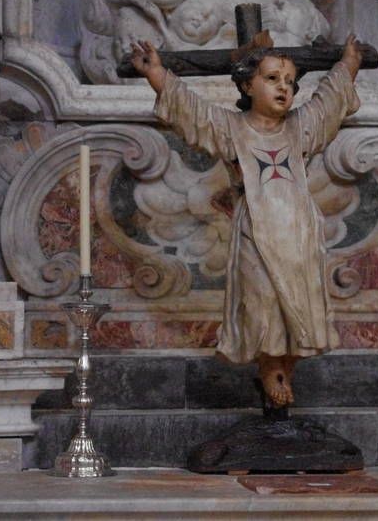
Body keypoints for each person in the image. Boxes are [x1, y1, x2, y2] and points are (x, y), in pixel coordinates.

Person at [130, 35, 363, 407]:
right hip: (256, 231)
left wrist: (348, 63)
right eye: (272, 79)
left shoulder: (300, 127)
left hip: (298, 232)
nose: (283, 88)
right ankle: (270, 369)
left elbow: (329, 105)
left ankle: (286, 367)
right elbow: (192, 112)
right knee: (263, 301)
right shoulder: (232, 128)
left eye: (289, 81)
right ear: (246, 85)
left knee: (299, 306)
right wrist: (156, 72)